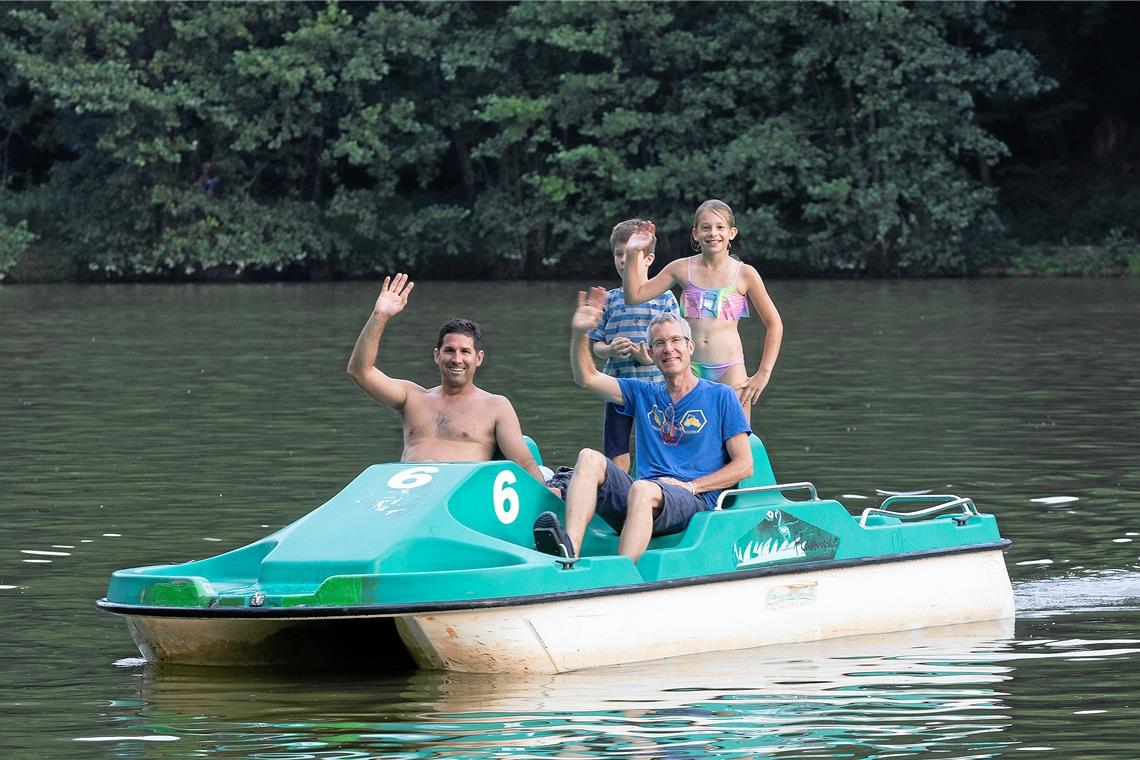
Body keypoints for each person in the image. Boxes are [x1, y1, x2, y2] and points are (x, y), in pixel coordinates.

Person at [534, 290, 753, 563]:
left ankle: (622, 574)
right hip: (645, 496)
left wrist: (692, 487)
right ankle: (569, 554)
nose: (668, 348)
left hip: (692, 501)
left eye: (675, 340)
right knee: (589, 458)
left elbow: (744, 465)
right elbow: (587, 377)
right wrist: (580, 333)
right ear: (650, 352)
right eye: (659, 343)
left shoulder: (721, 396)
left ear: (690, 347)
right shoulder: (643, 392)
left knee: (642, 489)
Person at [347, 273, 547, 484]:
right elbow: (360, 371)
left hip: (455, 499)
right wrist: (380, 315)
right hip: (405, 496)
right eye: (449, 350)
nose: (457, 359)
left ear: (478, 358)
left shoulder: (496, 406)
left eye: (465, 352)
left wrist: (545, 495)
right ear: (437, 355)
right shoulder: (412, 397)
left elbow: (524, 463)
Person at [621, 200, 783, 420]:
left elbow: (774, 325)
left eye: (719, 227)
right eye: (705, 227)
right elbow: (634, 296)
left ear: (731, 233)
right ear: (695, 234)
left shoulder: (745, 274)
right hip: (689, 368)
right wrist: (632, 254)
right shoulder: (681, 268)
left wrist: (763, 373)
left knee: (735, 438)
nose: (712, 233)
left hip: (730, 369)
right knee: (688, 434)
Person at [587, 219, 680, 473]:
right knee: (617, 447)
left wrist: (649, 357)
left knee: (657, 443)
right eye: (618, 254)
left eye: (630, 254)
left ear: (648, 259)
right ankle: (618, 489)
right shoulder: (609, 299)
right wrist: (611, 350)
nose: (622, 260)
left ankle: (655, 488)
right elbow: (597, 348)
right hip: (617, 385)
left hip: (656, 387)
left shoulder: (665, 298)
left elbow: (675, 345)